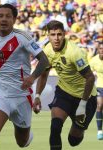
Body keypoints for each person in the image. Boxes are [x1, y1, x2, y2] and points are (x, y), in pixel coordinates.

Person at [0, 3, 49, 150]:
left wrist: (32, 78)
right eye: (0, 16)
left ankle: (27, 135)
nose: (4, 19)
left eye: (8, 16)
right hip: (1, 93)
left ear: (14, 19)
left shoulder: (23, 37)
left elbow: (44, 60)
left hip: (22, 96)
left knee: (22, 142)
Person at [33, 20, 97, 150]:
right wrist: (37, 95)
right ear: (48, 36)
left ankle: (79, 130)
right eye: (52, 35)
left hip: (85, 97)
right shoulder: (47, 50)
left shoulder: (74, 52)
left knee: (73, 140)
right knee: (55, 127)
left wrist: (82, 105)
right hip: (64, 92)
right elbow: (44, 74)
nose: (56, 38)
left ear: (64, 35)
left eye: (59, 34)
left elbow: (90, 78)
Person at [90, 42, 103, 140]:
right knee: (99, 105)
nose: (102, 50)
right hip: (99, 86)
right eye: (100, 49)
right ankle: (99, 131)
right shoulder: (93, 61)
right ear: (98, 50)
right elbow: (88, 74)